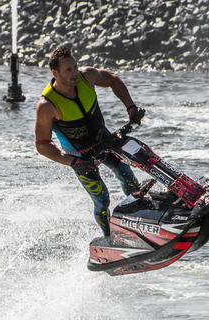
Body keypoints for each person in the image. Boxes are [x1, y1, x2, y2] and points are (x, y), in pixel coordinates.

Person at [34, 45, 145, 237]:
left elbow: (113, 80)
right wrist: (73, 162)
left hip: (105, 141)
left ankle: (142, 216)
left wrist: (131, 107)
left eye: (75, 67)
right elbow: (42, 145)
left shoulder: (87, 77)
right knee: (102, 200)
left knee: (127, 175)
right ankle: (108, 238)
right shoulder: (47, 105)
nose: (74, 73)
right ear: (55, 72)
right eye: (68, 69)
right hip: (81, 158)